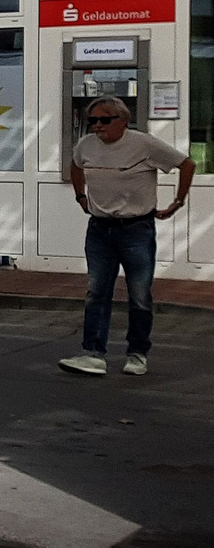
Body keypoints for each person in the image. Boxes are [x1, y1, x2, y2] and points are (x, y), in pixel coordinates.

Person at [60, 96, 193, 377]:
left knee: (139, 294)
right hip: (99, 229)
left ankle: (137, 354)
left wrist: (177, 202)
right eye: (93, 120)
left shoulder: (144, 144)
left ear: (123, 120)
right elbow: (75, 166)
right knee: (96, 292)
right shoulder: (86, 145)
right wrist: (80, 197)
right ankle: (93, 354)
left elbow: (186, 164)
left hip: (136, 229)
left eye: (104, 120)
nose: (97, 126)